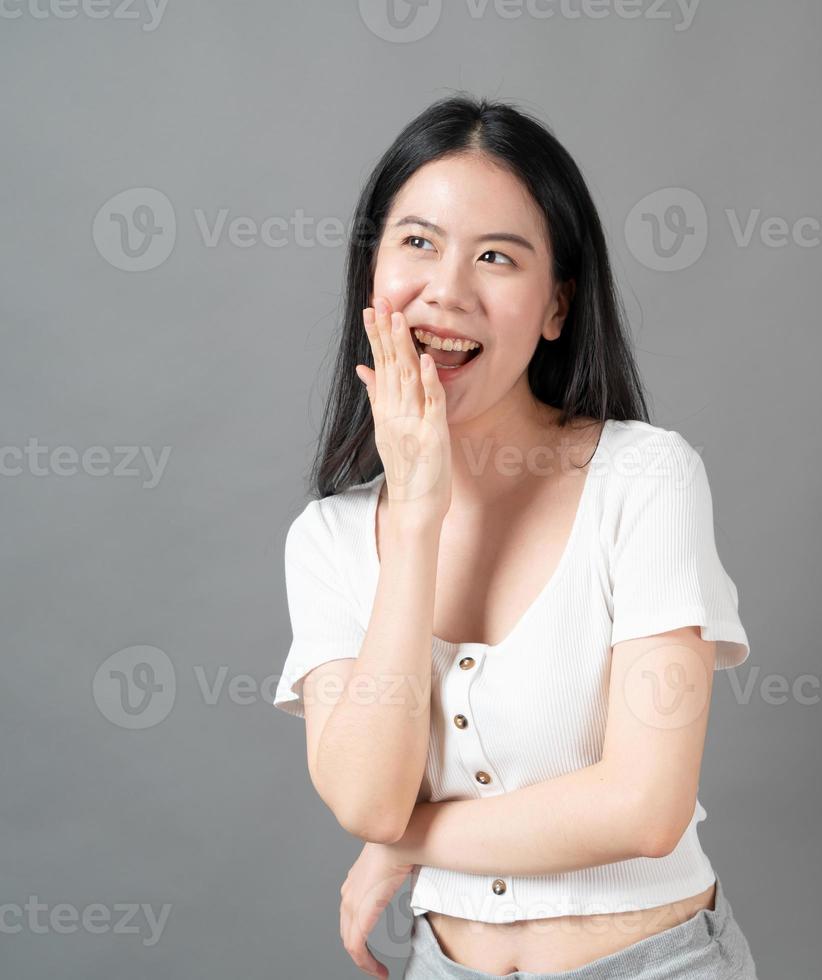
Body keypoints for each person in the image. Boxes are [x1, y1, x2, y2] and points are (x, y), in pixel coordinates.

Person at [271, 94, 759, 979]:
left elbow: (647, 807)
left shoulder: (645, 478)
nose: (448, 290)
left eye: (496, 257)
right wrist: (414, 519)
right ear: (371, 276)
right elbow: (366, 798)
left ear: (556, 306)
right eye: (417, 243)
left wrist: (412, 843)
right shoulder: (329, 540)